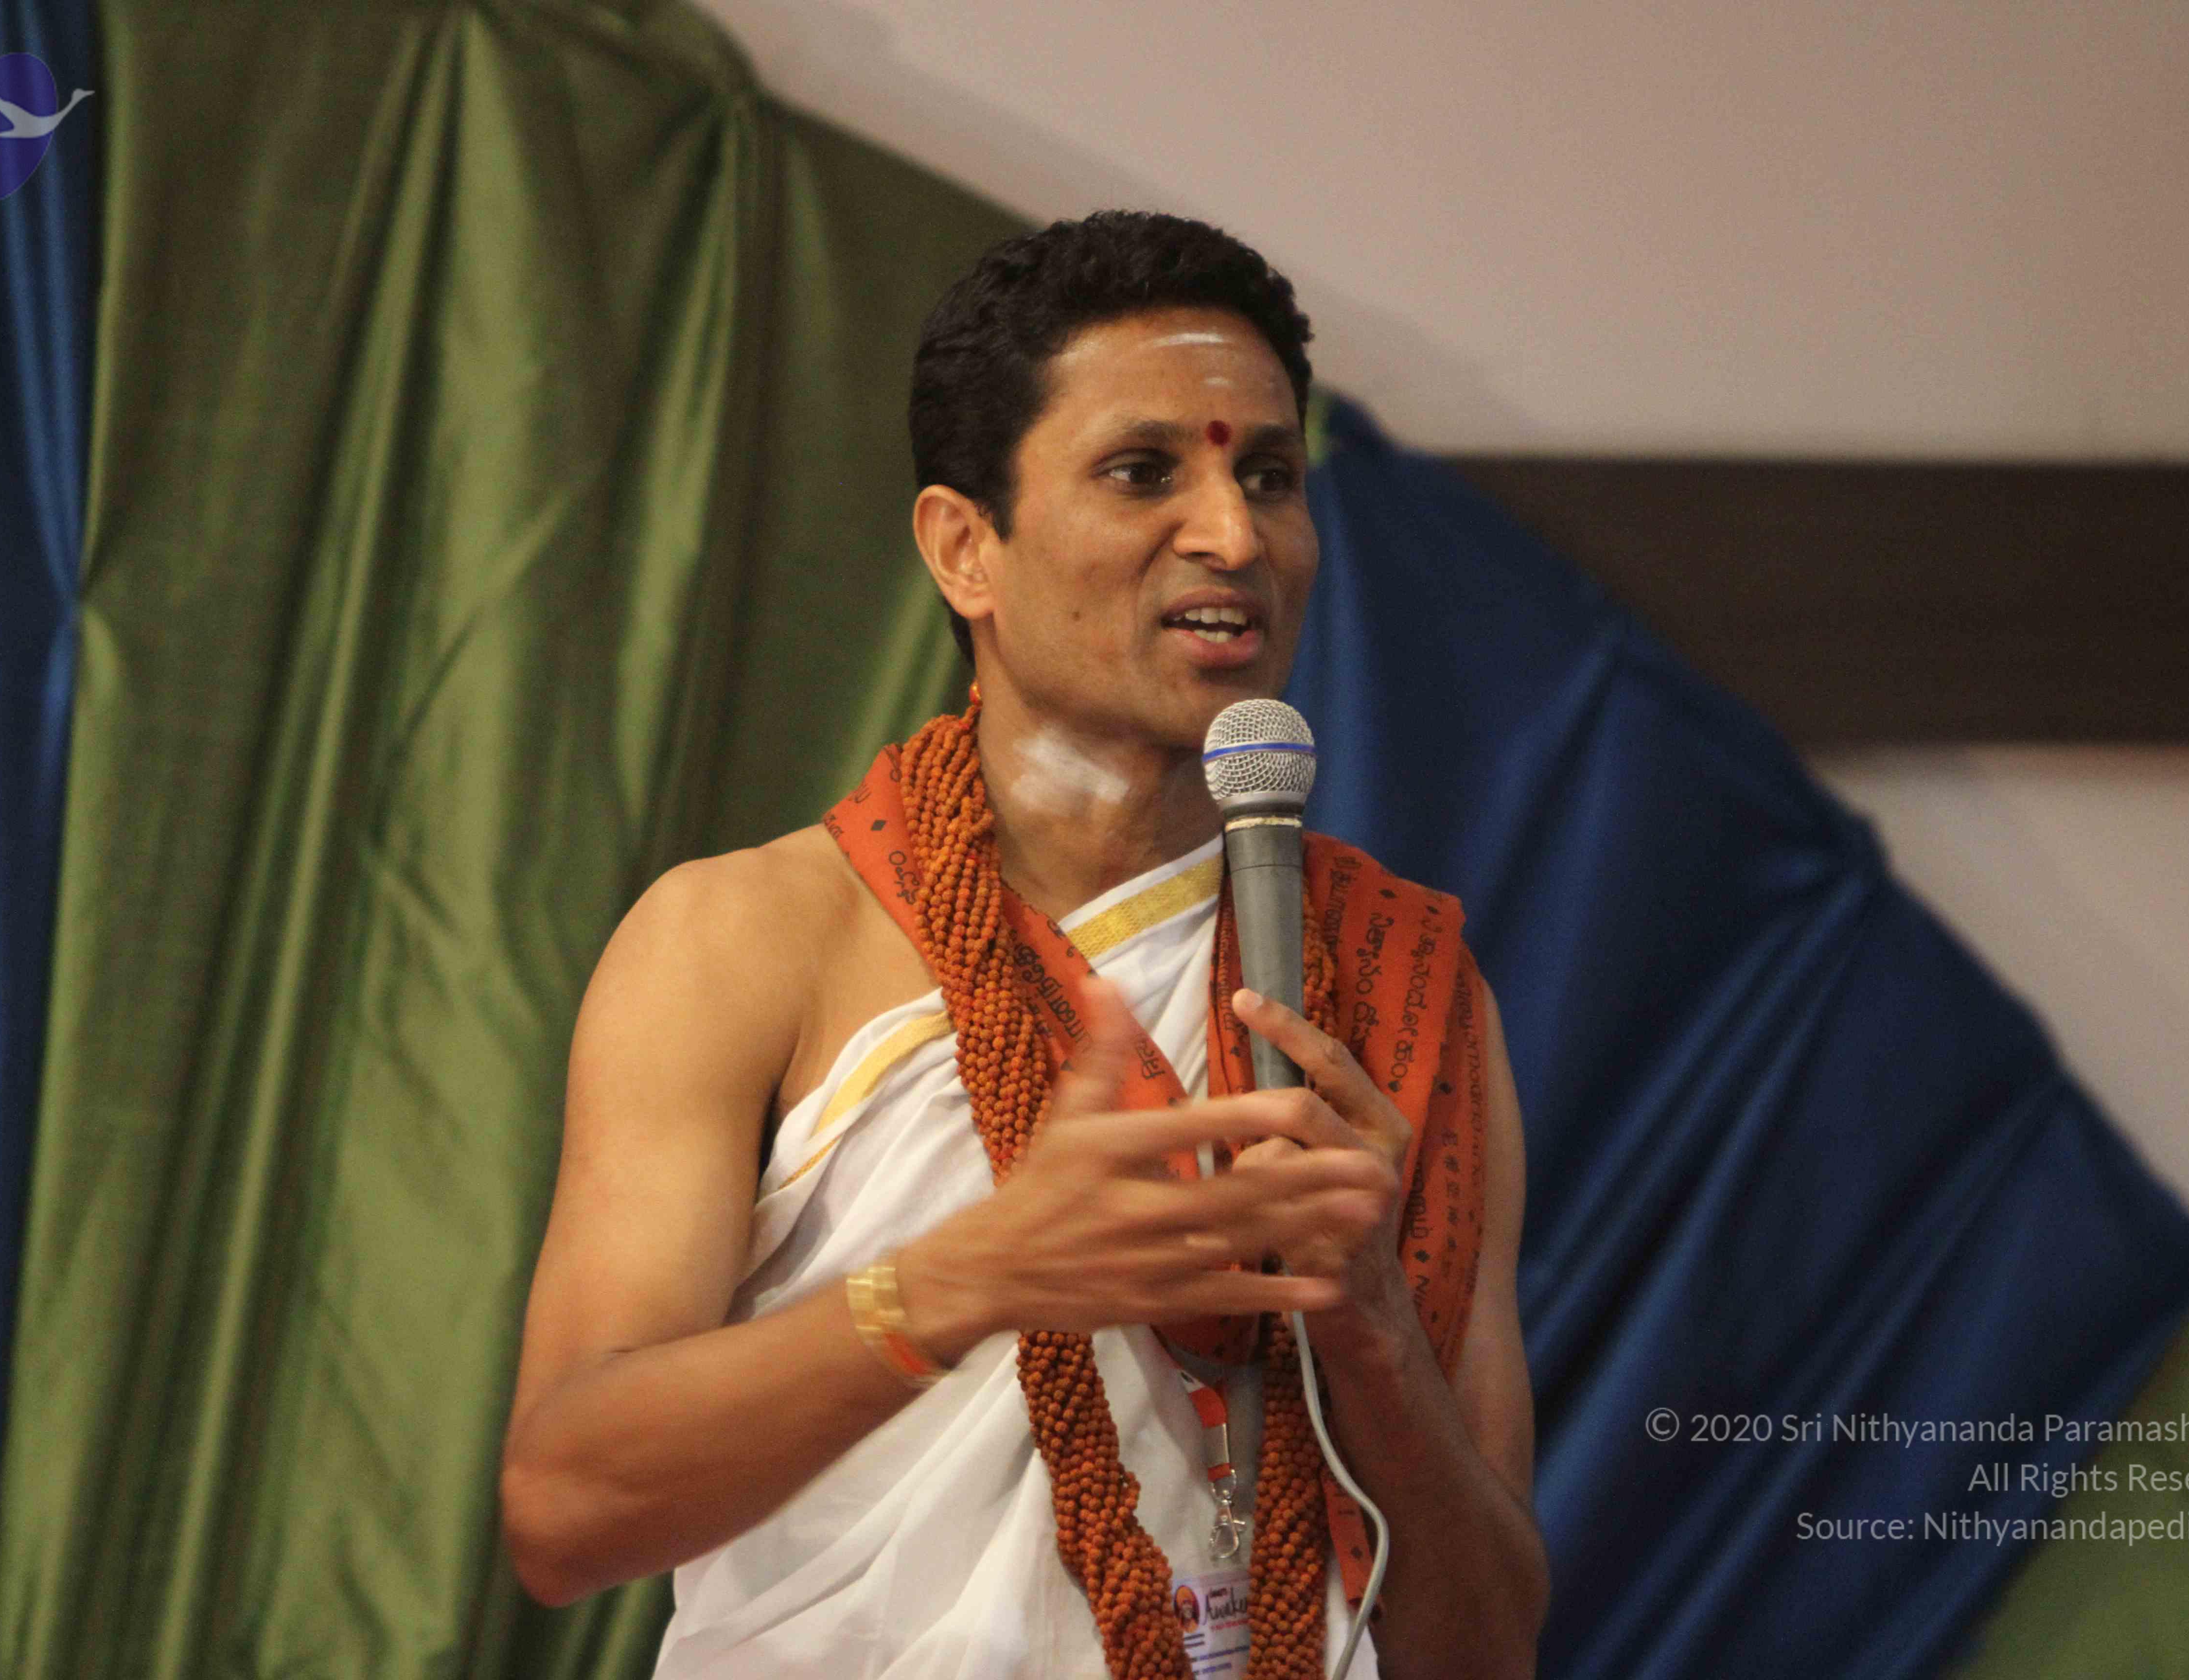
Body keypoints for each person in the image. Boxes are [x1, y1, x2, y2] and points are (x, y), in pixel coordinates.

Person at [500, 210, 1550, 1680]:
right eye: (1144, 472)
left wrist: (1369, 1321)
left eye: (1267, 476)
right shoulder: (746, 941)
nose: (1234, 535)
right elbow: (563, 1510)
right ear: (964, 549)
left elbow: (1488, 1651)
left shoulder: (1400, 982)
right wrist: (967, 1280)